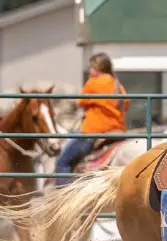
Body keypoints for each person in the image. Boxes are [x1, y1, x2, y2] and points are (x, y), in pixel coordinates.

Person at [55, 52, 130, 187]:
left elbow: (79, 102)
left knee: (62, 162)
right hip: (118, 131)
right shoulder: (118, 85)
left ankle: (62, 197)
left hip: (93, 132)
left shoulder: (93, 83)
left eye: (91, 67)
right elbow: (126, 105)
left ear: (97, 69)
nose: (89, 70)